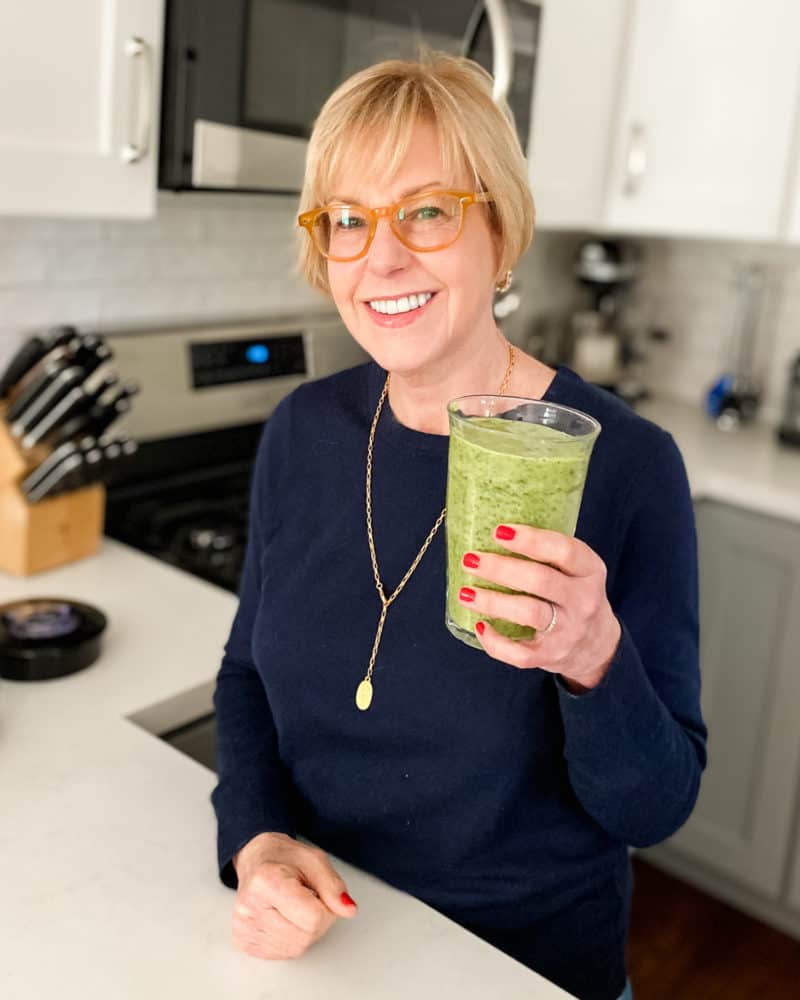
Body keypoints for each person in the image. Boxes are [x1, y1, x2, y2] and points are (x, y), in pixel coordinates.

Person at [211, 51, 706, 1000]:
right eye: (348, 221)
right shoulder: (302, 431)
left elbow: (654, 805)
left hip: (520, 969)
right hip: (327, 950)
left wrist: (593, 657)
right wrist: (258, 838)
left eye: (427, 210)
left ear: (501, 230)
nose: (382, 256)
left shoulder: (624, 463)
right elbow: (244, 677)